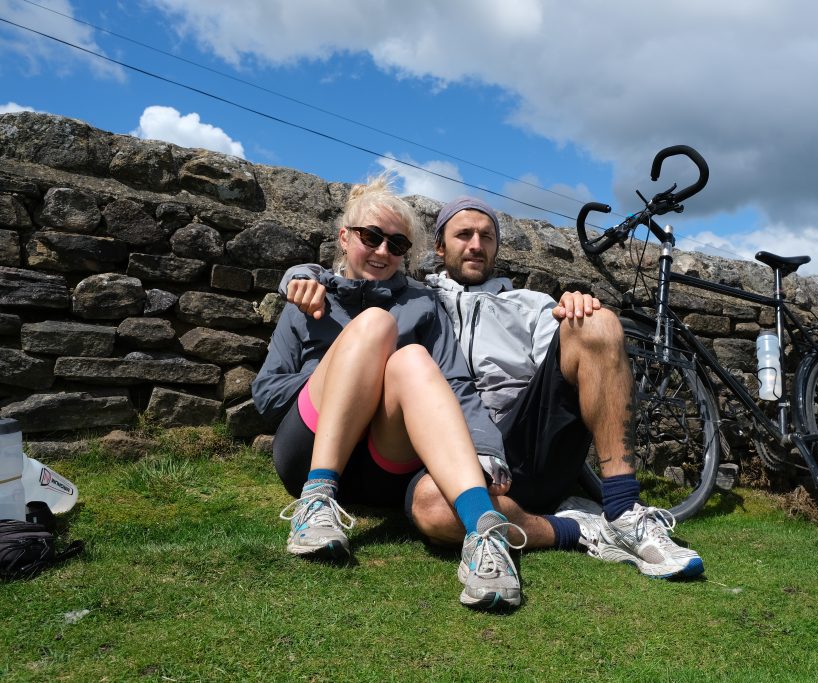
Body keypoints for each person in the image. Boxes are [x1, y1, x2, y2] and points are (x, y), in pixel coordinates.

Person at [282, 196, 704, 580]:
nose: (476, 245)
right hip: (452, 450)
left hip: (527, 433)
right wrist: (299, 275)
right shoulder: (419, 299)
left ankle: (624, 510)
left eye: (486, 236)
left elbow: (567, 362)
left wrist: (582, 314)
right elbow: (353, 280)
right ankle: (574, 529)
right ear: (439, 249)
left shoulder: (532, 304)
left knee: (596, 321)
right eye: (462, 235)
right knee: (431, 509)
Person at [253, 176, 526, 610]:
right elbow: (266, 395)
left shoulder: (422, 301)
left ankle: (485, 537)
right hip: (307, 452)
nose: (383, 252)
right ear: (344, 237)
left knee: (412, 357)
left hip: (384, 466)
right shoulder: (307, 296)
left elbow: (455, 382)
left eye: (397, 245)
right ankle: (316, 502)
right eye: (371, 237)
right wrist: (346, 371)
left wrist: (488, 449)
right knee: (377, 326)